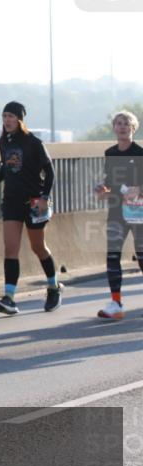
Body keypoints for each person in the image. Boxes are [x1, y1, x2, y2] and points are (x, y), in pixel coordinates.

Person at [0, 101, 62, 315]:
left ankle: (53, 287)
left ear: (20, 119)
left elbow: (50, 171)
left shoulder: (33, 142)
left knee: (38, 247)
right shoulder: (3, 141)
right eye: (4, 116)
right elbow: (6, 165)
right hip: (11, 200)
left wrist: (45, 197)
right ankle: (9, 298)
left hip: (34, 201)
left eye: (11, 116)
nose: (7, 120)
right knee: (10, 249)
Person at [94, 110, 143, 320]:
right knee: (112, 255)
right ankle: (115, 303)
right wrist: (103, 188)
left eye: (126, 124)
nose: (122, 127)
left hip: (139, 212)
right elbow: (111, 180)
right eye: (119, 123)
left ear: (133, 128)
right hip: (116, 212)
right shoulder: (110, 152)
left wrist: (138, 189)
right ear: (114, 128)